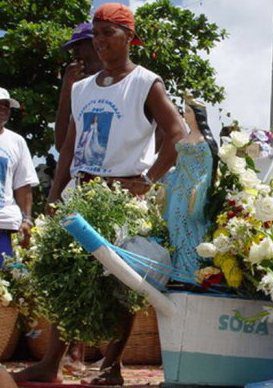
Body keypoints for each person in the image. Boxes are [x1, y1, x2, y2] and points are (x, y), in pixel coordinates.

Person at [13, 3, 185, 385]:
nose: (100, 40)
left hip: (120, 199)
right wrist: (54, 196)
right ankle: (51, 363)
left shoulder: (145, 82)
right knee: (68, 274)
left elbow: (177, 136)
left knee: (119, 280)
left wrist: (149, 180)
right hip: (81, 191)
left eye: (109, 32)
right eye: (96, 32)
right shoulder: (82, 88)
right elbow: (70, 148)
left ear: (129, 38)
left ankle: (111, 368)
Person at [164, 99, 218, 275]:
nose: (184, 115)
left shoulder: (205, 141)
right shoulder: (185, 138)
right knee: (175, 225)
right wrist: (166, 185)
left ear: (197, 115)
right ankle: (178, 268)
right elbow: (178, 166)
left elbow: (208, 171)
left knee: (191, 227)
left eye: (188, 111)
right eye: (184, 111)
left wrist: (199, 188)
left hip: (194, 193)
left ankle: (193, 270)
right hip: (178, 190)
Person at [0, 87, 39, 267]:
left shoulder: (16, 142)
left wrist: (26, 219)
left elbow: (23, 185)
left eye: (6, 106)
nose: (3, 109)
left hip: (5, 224)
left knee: (6, 285)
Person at [54, 23, 103, 152]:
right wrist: (66, 88)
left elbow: (162, 130)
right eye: (73, 48)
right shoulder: (80, 90)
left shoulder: (127, 81)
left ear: (96, 44)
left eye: (79, 45)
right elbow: (62, 145)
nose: (75, 53)